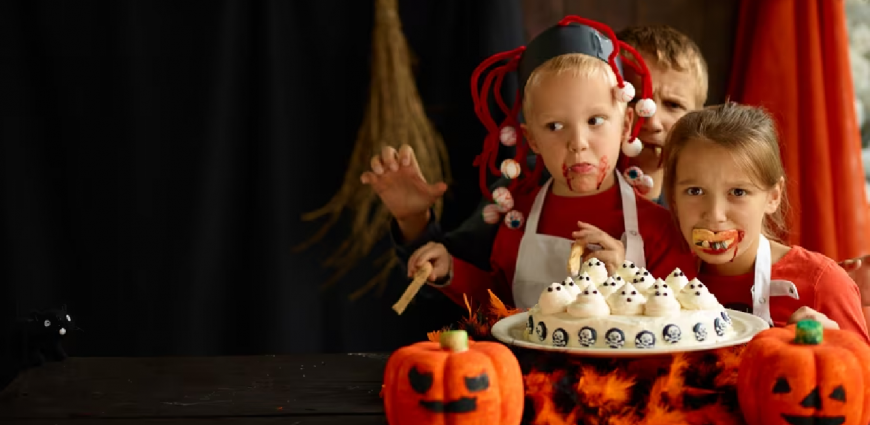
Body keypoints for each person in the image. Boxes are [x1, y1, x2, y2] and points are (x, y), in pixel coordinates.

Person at [363, 16, 698, 309]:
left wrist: (628, 276)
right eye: (555, 126)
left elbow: (684, 316)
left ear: (625, 123)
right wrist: (444, 262)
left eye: (595, 120)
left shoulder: (664, 224)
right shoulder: (514, 213)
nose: (578, 143)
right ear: (532, 138)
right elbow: (495, 300)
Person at [661, 102, 870, 341]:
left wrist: (836, 351)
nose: (715, 214)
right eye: (695, 191)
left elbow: (860, 374)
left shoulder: (823, 284)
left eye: (738, 192)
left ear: (773, 196)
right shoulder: (660, 280)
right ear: (673, 197)